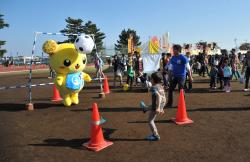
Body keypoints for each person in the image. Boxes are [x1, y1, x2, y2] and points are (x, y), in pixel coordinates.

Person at [140, 72, 166, 141]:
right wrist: (162, 107)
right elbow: (164, 97)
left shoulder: (153, 88)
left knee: (150, 120)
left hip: (157, 104)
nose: (150, 80)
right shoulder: (161, 86)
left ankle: (155, 135)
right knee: (152, 105)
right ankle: (145, 108)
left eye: (151, 79)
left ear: (153, 80)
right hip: (162, 103)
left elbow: (159, 96)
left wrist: (158, 108)